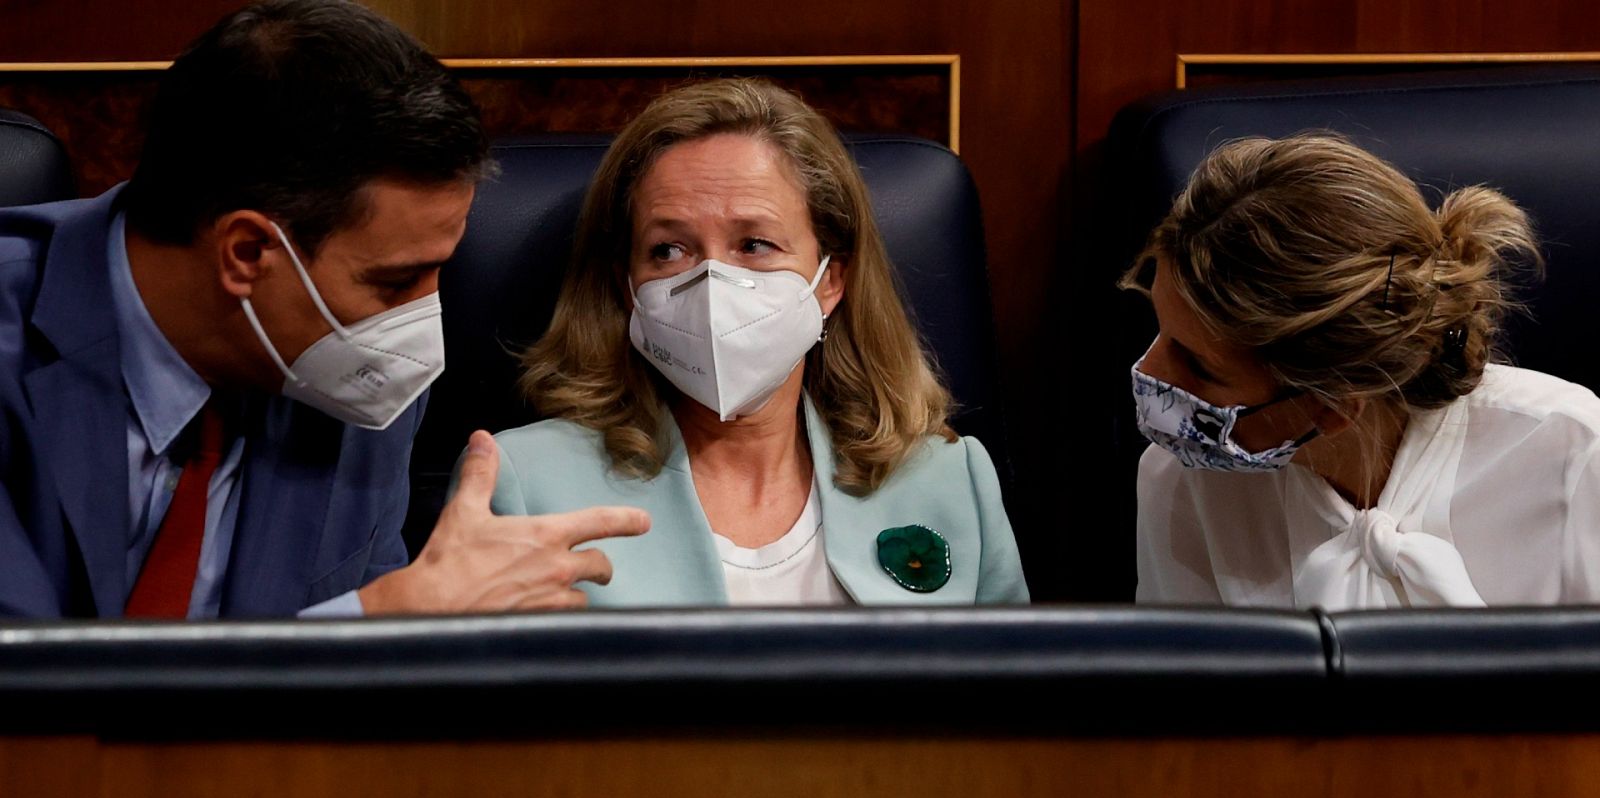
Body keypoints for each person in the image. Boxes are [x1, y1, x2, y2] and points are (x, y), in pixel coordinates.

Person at [0, 0, 647, 619]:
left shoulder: (363, 380)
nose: (421, 327)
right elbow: (31, 704)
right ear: (247, 251)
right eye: (395, 282)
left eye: (438, 273)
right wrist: (383, 622)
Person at [463, 79, 1028, 606]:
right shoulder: (522, 482)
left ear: (830, 279)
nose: (711, 283)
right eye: (668, 250)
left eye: (754, 244)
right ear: (626, 285)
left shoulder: (949, 478)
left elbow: (1016, 700)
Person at [1126, 133, 1600, 609]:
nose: (1149, 370)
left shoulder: (1574, 452)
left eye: (1199, 366)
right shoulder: (1179, 479)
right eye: (1160, 331)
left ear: (1333, 407)